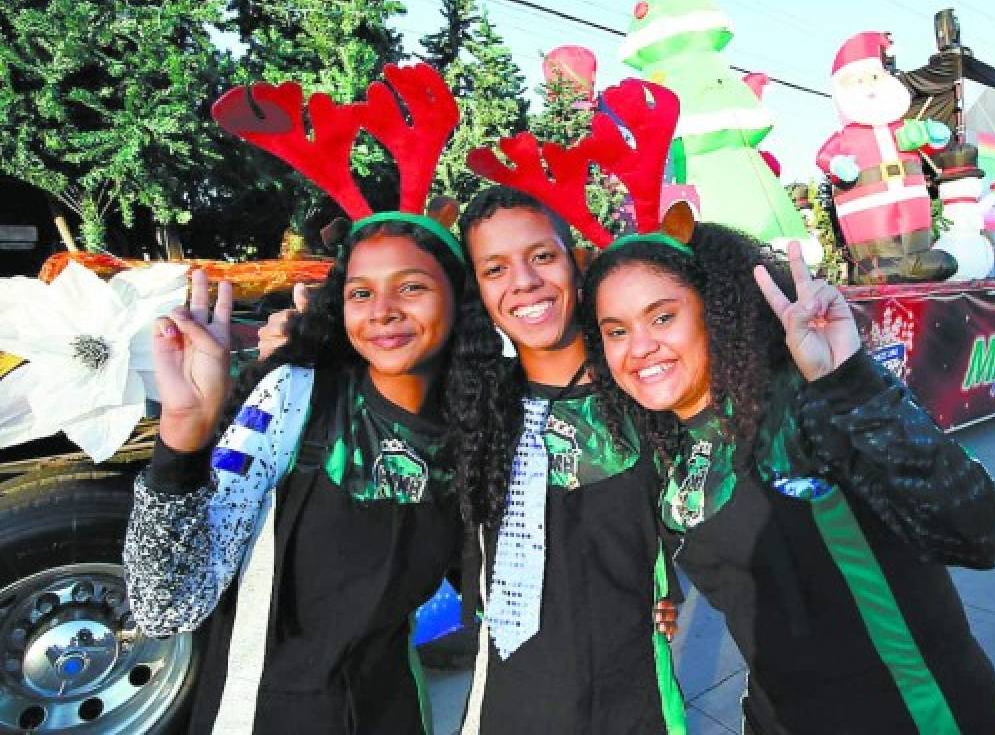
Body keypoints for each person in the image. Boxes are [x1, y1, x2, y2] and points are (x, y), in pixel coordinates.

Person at [255, 189, 686, 735]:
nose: (524, 282)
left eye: (542, 256)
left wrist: (666, 584)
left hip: (638, 706)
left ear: (577, 262)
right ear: (476, 292)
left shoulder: (644, 391)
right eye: (494, 268)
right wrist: (304, 350)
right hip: (506, 707)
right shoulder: (470, 411)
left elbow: (698, 512)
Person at [579, 222, 995, 734]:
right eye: (616, 331)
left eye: (662, 317)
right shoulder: (661, 449)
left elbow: (980, 536)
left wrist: (850, 381)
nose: (640, 347)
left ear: (714, 311)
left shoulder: (804, 403)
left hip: (918, 714)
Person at [124, 215, 466, 734]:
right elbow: (165, 604)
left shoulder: (475, 431)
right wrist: (181, 438)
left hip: (392, 713)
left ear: (459, 300)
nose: (383, 312)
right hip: (263, 714)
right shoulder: (295, 399)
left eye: (412, 287)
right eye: (360, 293)